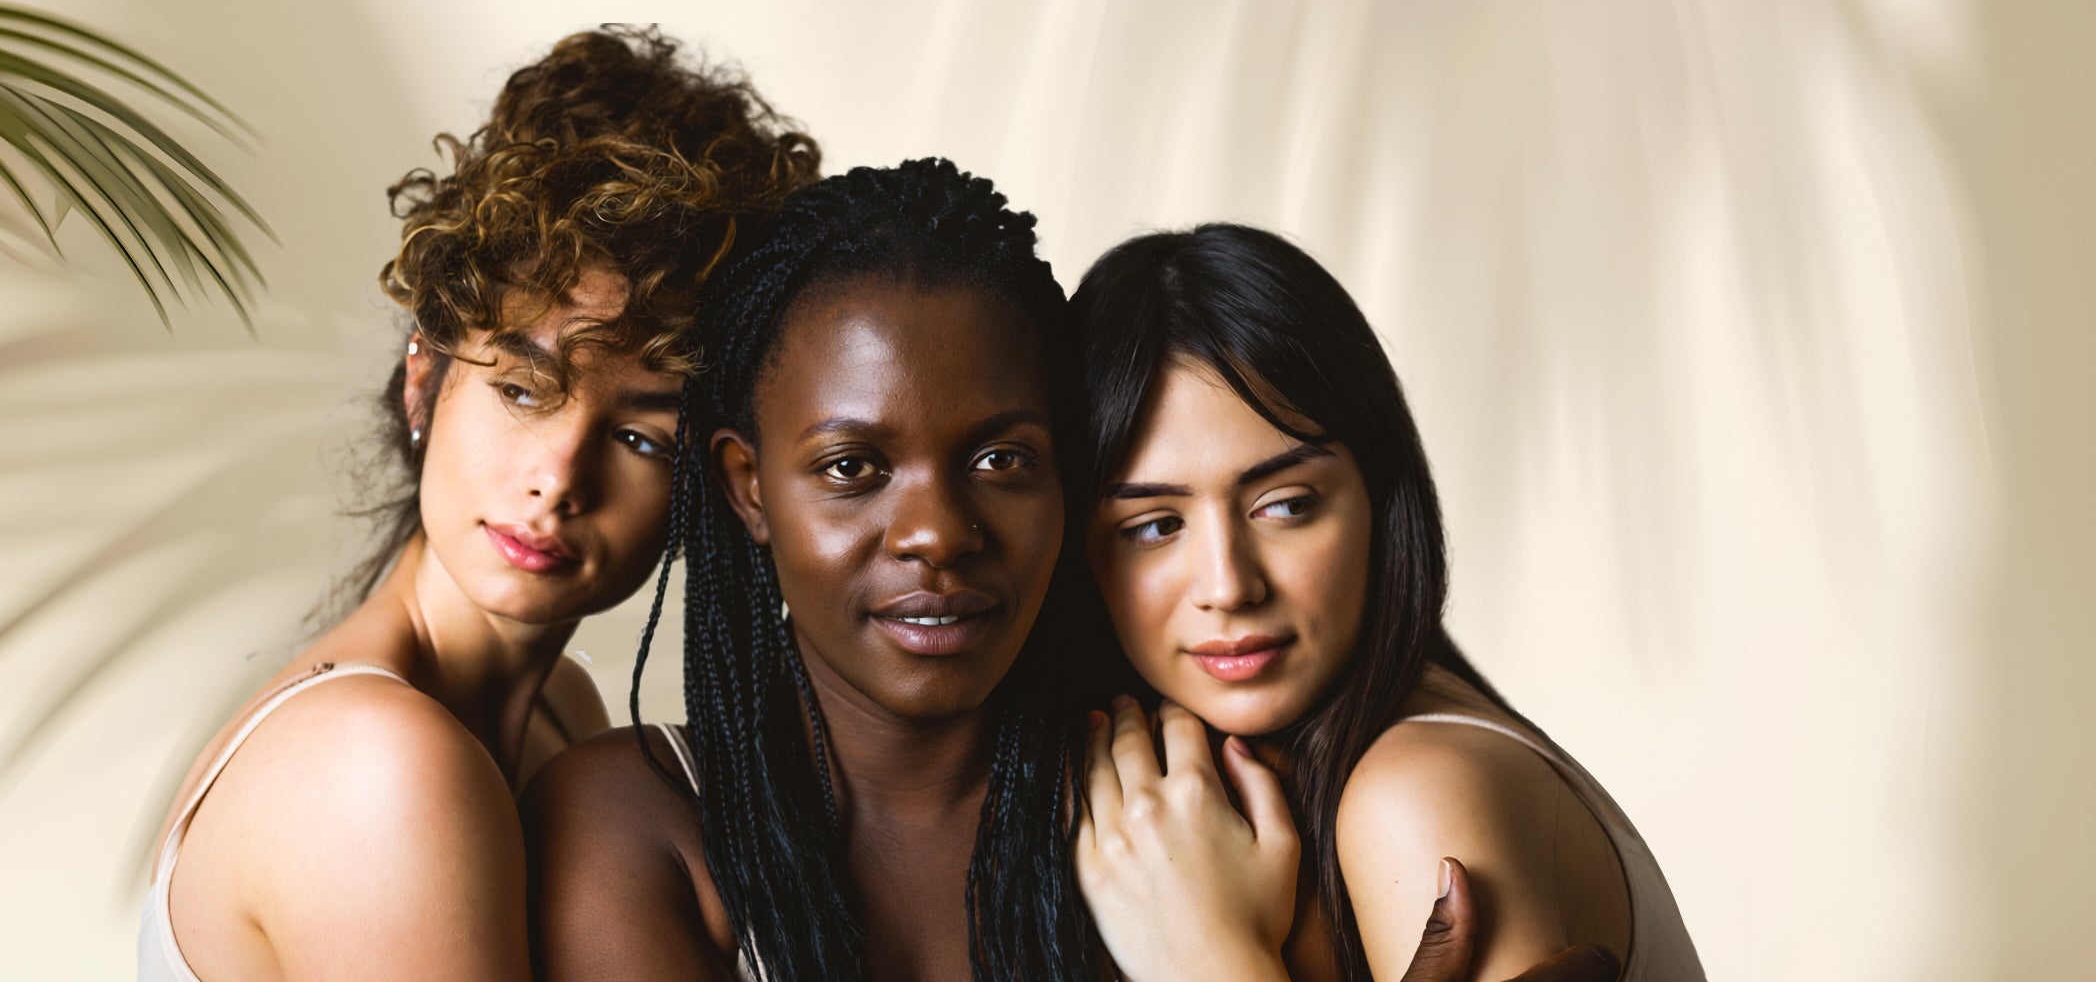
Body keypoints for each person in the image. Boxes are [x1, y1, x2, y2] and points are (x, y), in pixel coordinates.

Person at [525, 162, 1624, 982]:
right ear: (748, 487)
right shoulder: (635, 825)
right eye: (854, 466)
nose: (937, 534)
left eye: (1003, 459)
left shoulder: (1201, 818)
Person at [134, 26, 819, 982]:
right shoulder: (377, 769)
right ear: (425, 380)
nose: (559, 478)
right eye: (523, 390)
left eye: (641, 438)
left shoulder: (560, 714)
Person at [1070, 224, 1702, 981]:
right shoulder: (1167, 818)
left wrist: (1209, 957)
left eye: (1285, 505)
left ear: (1378, 497)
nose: (1228, 586)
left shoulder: (1415, 797)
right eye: (1154, 526)